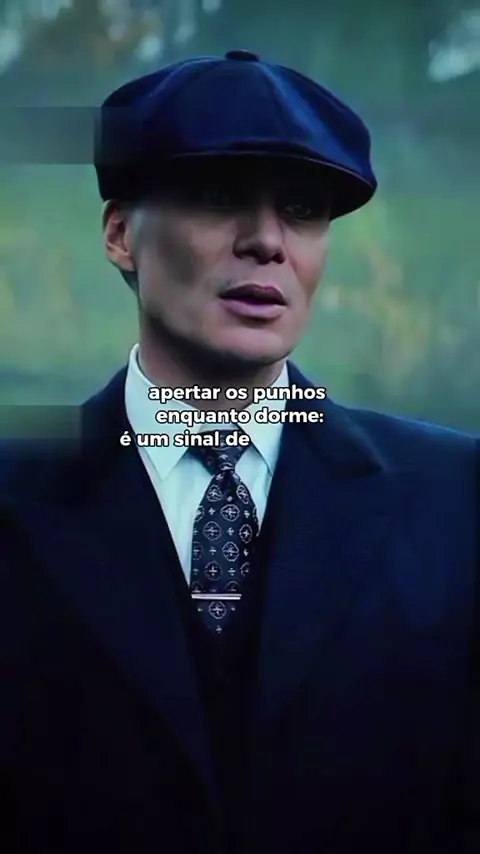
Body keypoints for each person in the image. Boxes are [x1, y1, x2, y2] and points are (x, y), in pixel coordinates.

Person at [0, 49, 478, 854]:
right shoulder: (15, 496)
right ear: (120, 234)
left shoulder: (455, 500)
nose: (266, 242)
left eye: (302, 209)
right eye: (218, 196)